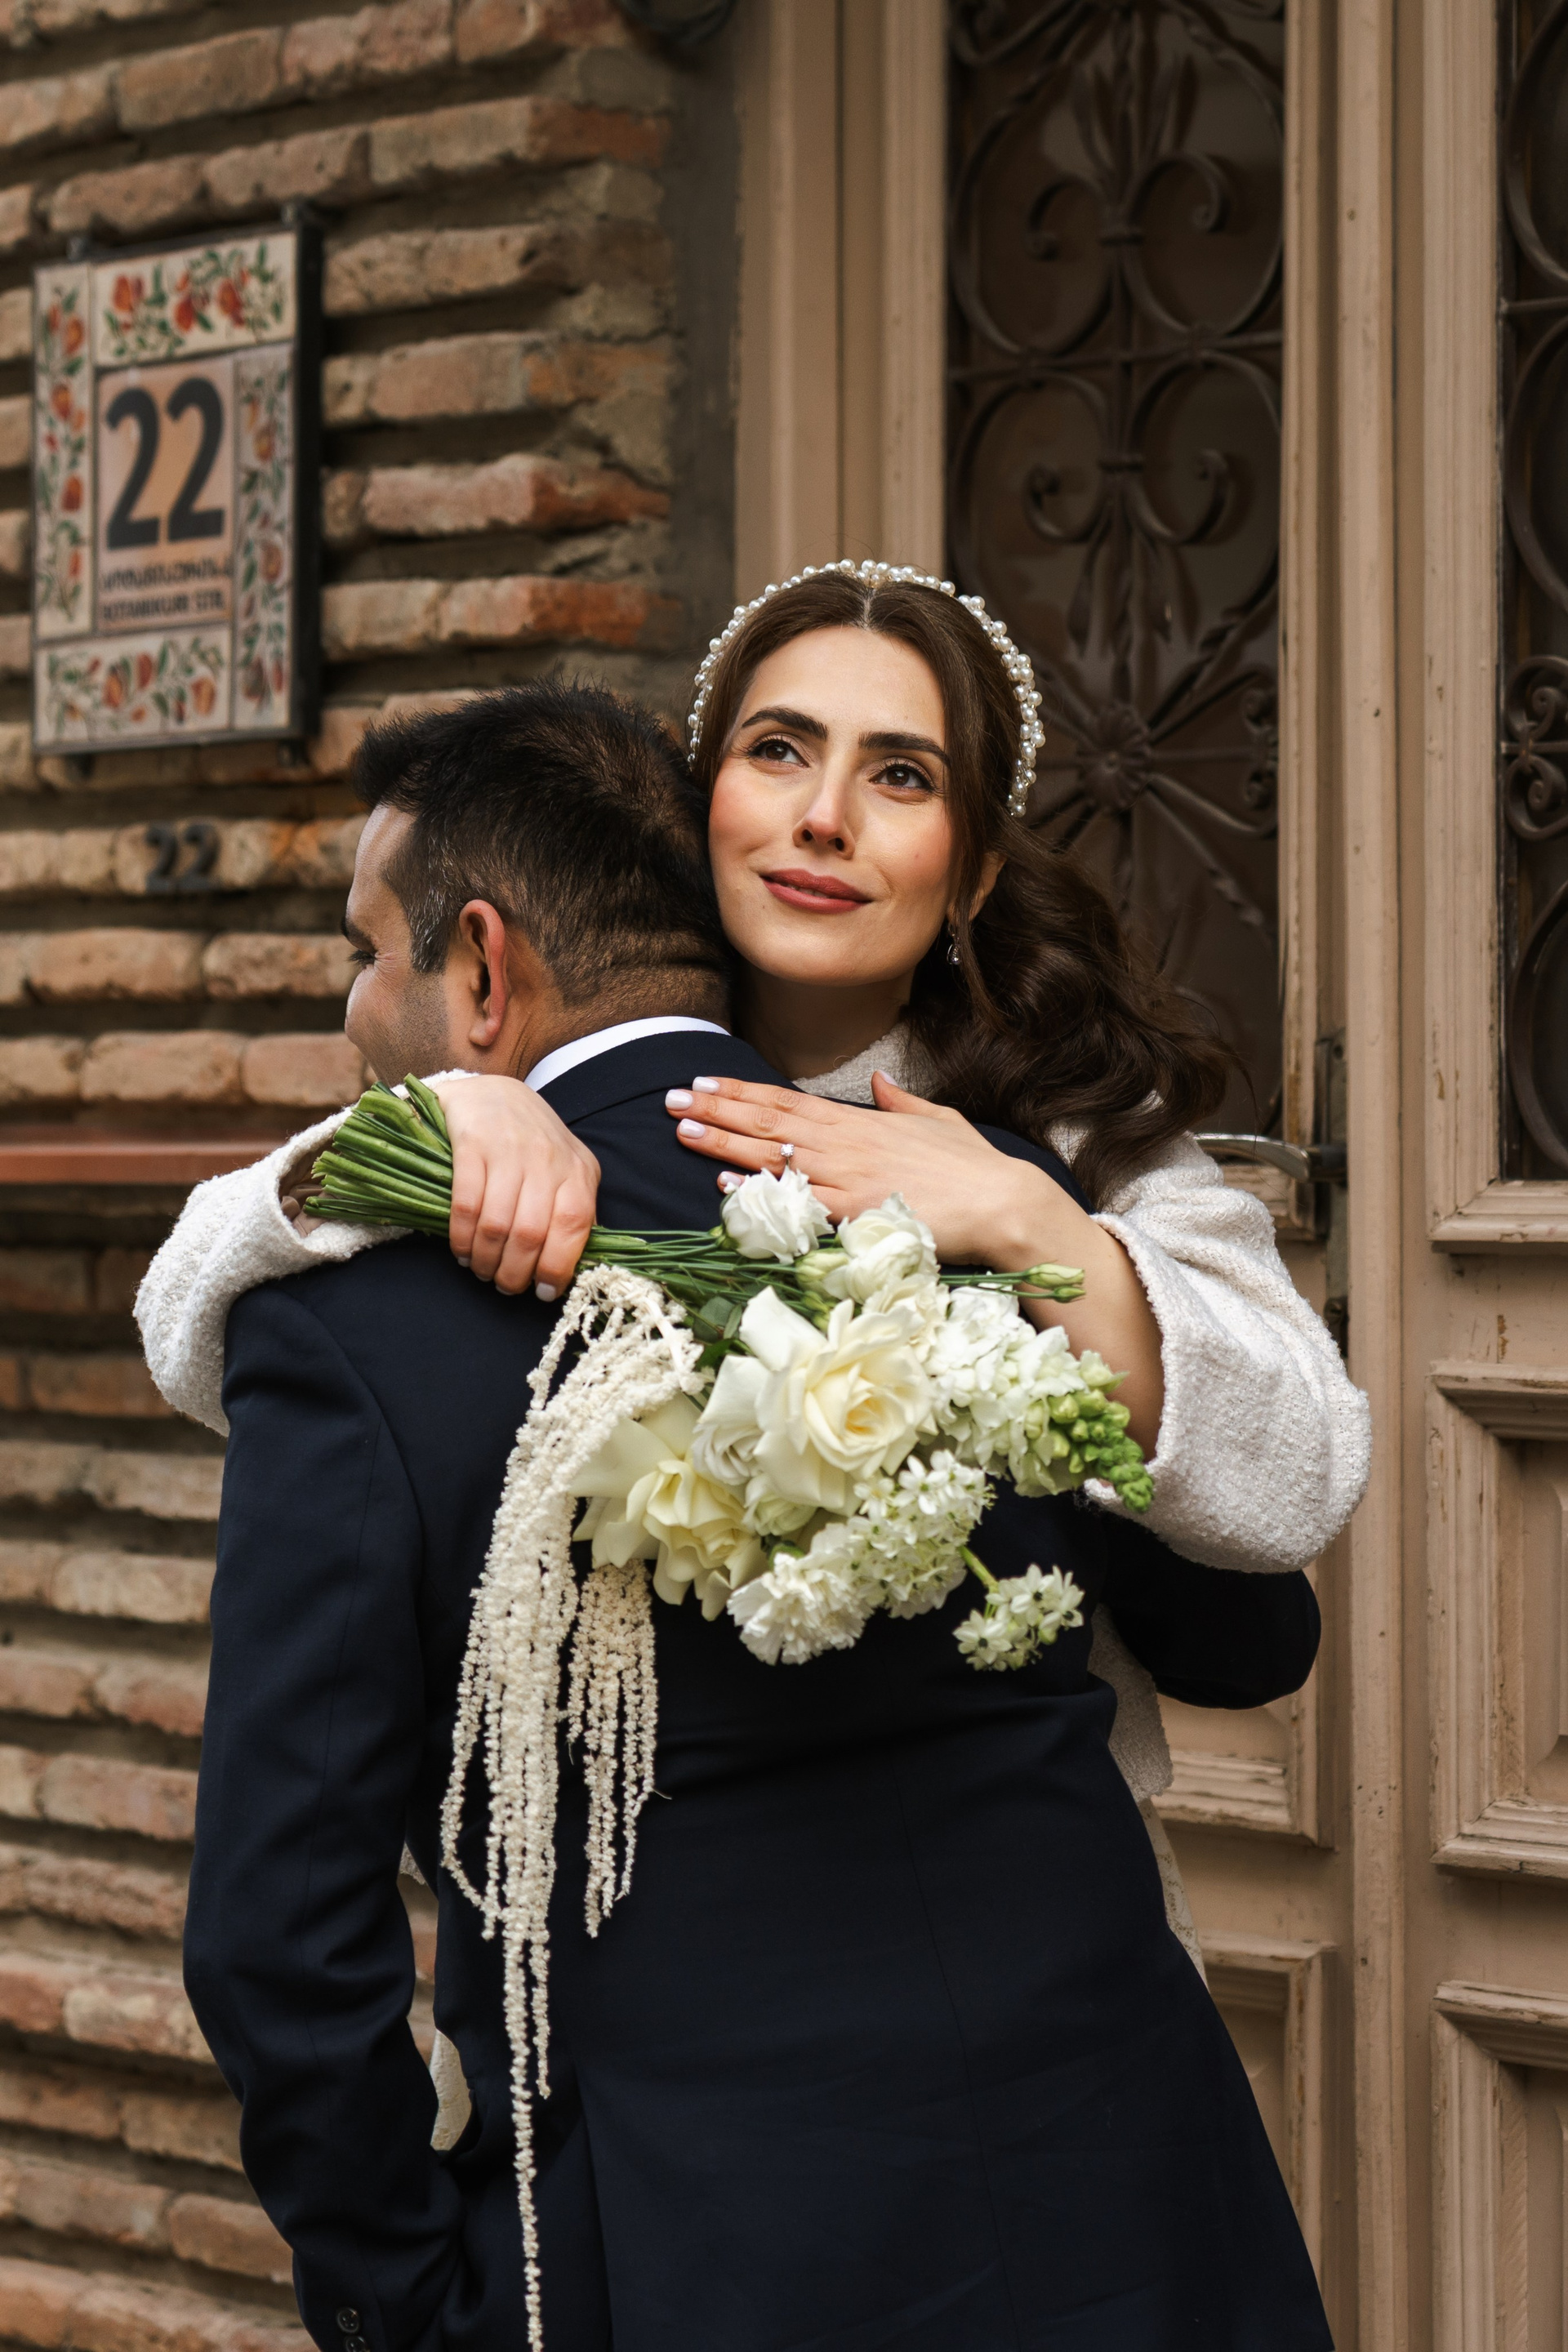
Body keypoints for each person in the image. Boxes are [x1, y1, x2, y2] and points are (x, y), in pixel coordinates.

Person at [145, 576, 1356, 2350]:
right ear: (692, 802)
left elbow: (1257, 1604)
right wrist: (407, 1133)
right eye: (780, 751)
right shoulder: (418, 1204)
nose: (823, 818)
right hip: (1061, 2196)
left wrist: (1044, 1234)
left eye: (900, 774)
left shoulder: (1040, 1178)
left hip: (979, 2171)